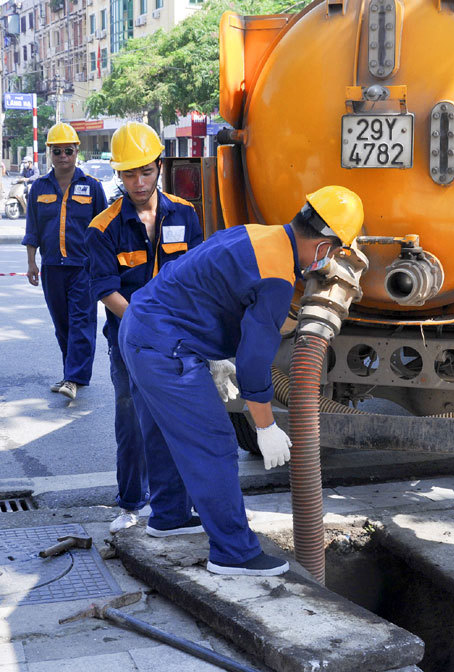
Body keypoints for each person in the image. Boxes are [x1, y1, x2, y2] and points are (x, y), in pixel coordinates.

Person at [117, 185, 364, 576]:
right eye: (334, 252)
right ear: (324, 246)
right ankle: (233, 553)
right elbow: (253, 361)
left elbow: (247, 309)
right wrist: (265, 426)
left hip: (139, 326)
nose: (330, 261)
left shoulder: (259, 235)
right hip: (166, 347)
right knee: (213, 444)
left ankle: (168, 516)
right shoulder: (277, 277)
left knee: (165, 433)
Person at [85, 121, 203, 534]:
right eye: (129, 173)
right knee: (132, 418)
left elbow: (197, 277)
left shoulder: (185, 214)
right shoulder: (103, 226)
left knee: (179, 420)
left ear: (159, 168)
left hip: (178, 339)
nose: (138, 182)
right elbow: (105, 289)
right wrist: (143, 324)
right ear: (118, 174)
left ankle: (176, 505)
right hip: (130, 339)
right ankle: (132, 502)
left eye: (145, 172)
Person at [22, 122, 108, 400]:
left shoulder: (92, 187)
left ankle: (74, 377)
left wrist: (103, 265)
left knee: (82, 321)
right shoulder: (38, 187)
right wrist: (32, 263)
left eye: (68, 151)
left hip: (83, 268)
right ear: (50, 153)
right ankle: (72, 373)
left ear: (76, 152)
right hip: (51, 269)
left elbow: (104, 230)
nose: (63, 156)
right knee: (63, 324)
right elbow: (32, 228)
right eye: (57, 151)